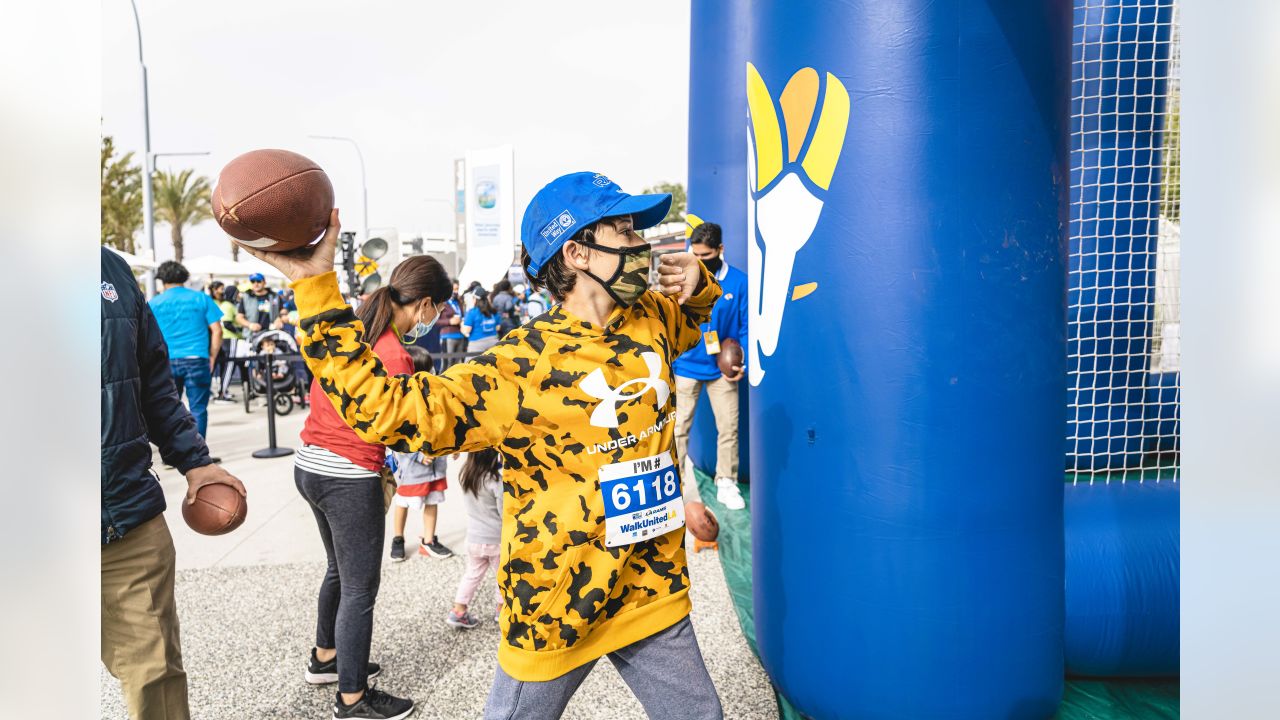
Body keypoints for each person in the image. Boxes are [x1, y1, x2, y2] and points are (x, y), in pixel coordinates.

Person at [247, 171, 725, 720]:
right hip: (558, 603)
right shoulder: (517, 365)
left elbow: (692, 318)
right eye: (624, 231)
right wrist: (315, 287)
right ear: (578, 253)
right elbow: (388, 410)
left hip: (652, 589)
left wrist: (700, 276)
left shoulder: (651, 319)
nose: (643, 245)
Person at [291, 256, 448, 720]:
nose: (436, 317)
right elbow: (396, 428)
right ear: (423, 305)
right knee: (360, 589)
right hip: (348, 475)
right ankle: (352, 699)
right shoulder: (395, 355)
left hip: (309, 463)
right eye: (438, 308)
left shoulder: (355, 327)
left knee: (338, 571)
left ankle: (326, 659)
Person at [101, 247, 247, 720]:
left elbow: (152, 382)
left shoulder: (110, 269)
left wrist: (193, 460)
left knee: (156, 675)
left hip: (123, 518)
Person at [672, 221, 748, 511]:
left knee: (728, 427)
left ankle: (726, 481)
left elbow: (744, 327)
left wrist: (745, 363)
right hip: (686, 364)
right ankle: (676, 483)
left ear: (720, 250)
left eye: (705, 255)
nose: (699, 261)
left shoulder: (739, 282)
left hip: (719, 367)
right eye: (695, 254)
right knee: (678, 428)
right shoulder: (682, 276)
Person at [389, 346, 455, 562]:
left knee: (433, 501)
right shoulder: (406, 404)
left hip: (436, 466)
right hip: (413, 470)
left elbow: (444, 425)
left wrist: (453, 446)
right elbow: (400, 437)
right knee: (403, 501)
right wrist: (418, 455)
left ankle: (428, 541)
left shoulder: (437, 398)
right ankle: (398, 538)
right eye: (429, 369)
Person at [148, 260, 224, 444]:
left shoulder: (154, 303)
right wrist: (212, 356)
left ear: (162, 280)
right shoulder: (201, 298)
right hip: (197, 358)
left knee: (168, 409)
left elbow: (146, 336)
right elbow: (217, 330)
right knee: (198, 408)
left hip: (166, 361)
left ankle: (172, 454)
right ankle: (199, 456)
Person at [446, 448, 504, 629]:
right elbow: (504, 512)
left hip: (473, 538)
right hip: (496, 539)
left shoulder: (467, 478)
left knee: (472, 575)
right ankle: (502, 611)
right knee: (503, 576)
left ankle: (459, 610)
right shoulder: (495, 482)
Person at [215, 284, 245, 402]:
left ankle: (223, 390)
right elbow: (227, 323)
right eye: (237, 293)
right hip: (230, 339)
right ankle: (222, 393)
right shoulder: (228, 306)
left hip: (226, 338)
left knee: (226, 366)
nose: (238, 296)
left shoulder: (226, 305)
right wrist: (239, 332)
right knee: (229, 366)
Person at [461, 288, 502, 354]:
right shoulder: (494, 311)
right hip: (493, 342)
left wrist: (462, 324)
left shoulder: (472, 312)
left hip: (476, 344)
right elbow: (498, 327)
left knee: (471, 364)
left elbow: (466, 330)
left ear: (475, 299)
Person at [437, 280, 466, 369]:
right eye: (453, 289)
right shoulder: (442, 303)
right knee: (447, 365)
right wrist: (449, 321)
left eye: (457, 289)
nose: (455, 291)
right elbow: (436, 321)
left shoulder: (459, 302)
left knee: (457, 365)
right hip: (447, 336)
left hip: (460, 335)